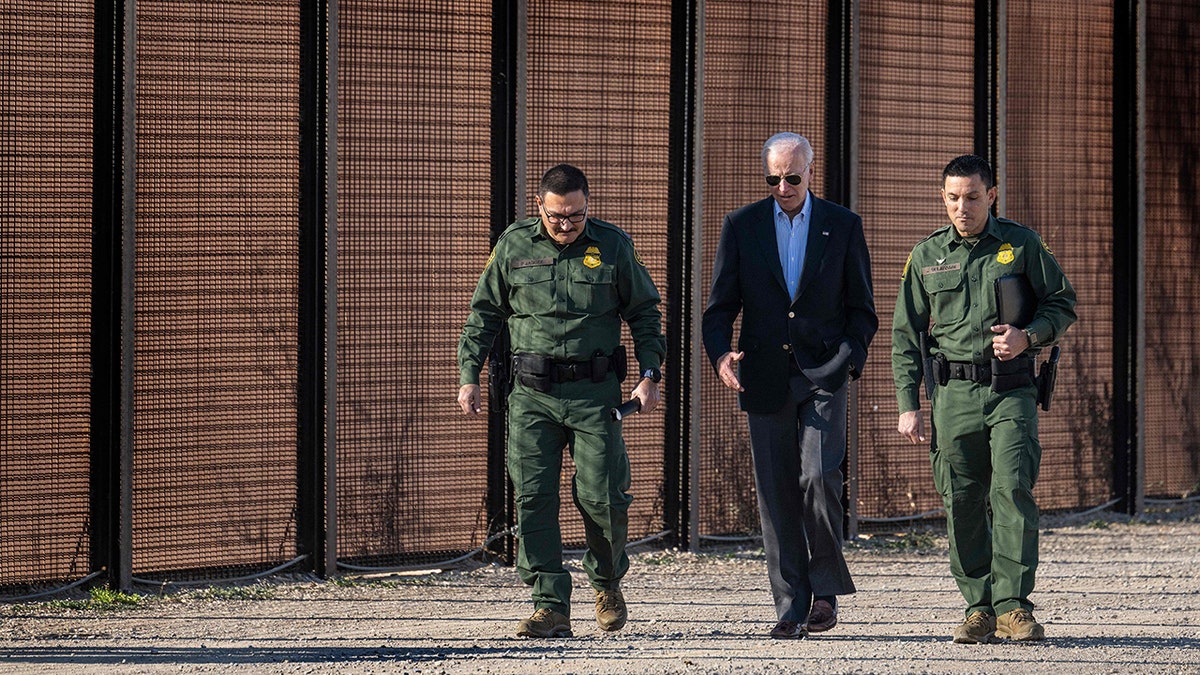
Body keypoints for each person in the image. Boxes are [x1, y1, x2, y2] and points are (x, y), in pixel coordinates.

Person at [457, 163, 667, 638]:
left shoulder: (612, 245)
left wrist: (650, 374)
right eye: (557, 217)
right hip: (532, 395)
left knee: (603, 496)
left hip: (595, 395)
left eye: (575, 215)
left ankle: (608, 582)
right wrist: (469, 376)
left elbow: (644, 313)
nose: (567, 225)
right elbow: (484, 315)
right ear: (540, 207)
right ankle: (549, 603)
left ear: (587, 206)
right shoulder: (513, 245)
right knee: (533, 497)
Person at [891, 154, 1077, 643]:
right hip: (952, 394)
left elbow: (1062, 302)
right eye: (952, 198)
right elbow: (906, 335)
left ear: (991, 195)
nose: (962, 207)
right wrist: (908, 404)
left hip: (1011, 387)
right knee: (963, 499)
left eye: (972, 197)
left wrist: (1028, 336)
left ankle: (1014, 606)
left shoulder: (1021, 244)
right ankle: (978, 608)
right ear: (943, 198)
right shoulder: (927, 256)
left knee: (1012, 488)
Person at [702, 132, 877, 639]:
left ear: (810, 171)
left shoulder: (843, 226)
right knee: (776, 492)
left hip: (824, 373)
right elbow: (719, 310)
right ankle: (790, 604)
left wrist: (848, 360)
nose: (783, 186)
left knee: (820, 477)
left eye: (792, 177)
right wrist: (720, 357)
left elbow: (863, 310)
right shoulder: (742, 225)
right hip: (764, 376)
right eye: (773, 178)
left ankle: (824, 591)